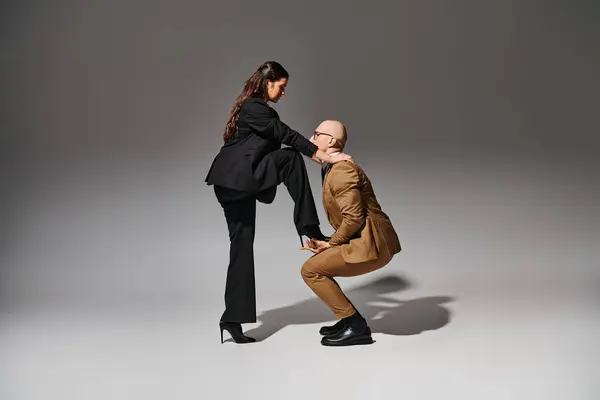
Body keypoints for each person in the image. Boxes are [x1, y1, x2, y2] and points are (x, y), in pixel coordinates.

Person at [205, 62, 352, 344]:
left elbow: (280, 138)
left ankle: (231, 320)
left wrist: (316, 153)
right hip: (237, 181)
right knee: (290, 158)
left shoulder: (255, 110)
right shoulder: (253, 107)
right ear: (268, 82)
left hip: (234, 185)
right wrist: (327, 156)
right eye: (281, 87)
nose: (283, 92)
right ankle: (309, 227)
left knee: (242, 248)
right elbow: (285, 135)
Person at [300, 120, 401, 346]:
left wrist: (331, 244)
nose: (312, 137)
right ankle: (348, 321)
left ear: (332, 141)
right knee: (316, 265)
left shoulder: (342, 170)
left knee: (310, 270)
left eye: (317, 133)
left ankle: (356, 326)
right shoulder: (332, 166)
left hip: (373, 245)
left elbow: (354, 218)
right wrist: (328, 242)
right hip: (365, 239)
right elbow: (307, 150)